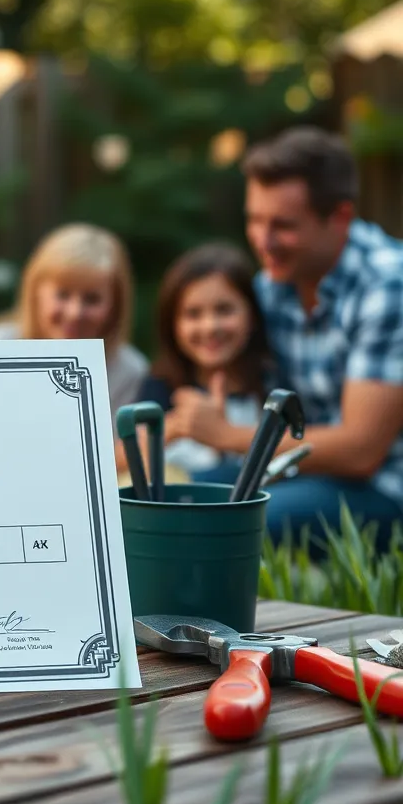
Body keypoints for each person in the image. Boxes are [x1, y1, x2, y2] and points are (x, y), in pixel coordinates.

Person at [166, 125, 403, 549]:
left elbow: (361, 451)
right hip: (299, 470)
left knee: (223, 527)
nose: (263, 240)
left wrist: (228, 436)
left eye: (283, 225)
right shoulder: (276, 282)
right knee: (165, 501)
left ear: (340, 217)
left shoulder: (387, 285)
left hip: (384, 490)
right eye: (254, 220)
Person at [0, 223, 149, 425]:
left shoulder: (129, 371)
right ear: (36, 291)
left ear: (115, 304)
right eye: (62, 295)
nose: (75, 313)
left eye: (92, 299)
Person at [119, 242, 272, 479]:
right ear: (173, 325)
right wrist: (173, 429)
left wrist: (225, 434)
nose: (210, 327)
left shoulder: (271, 381)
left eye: (224, 310)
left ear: (251, 315)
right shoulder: (162, 386)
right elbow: (123, 458)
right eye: (193, 314)